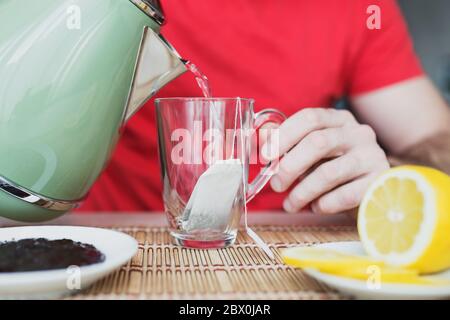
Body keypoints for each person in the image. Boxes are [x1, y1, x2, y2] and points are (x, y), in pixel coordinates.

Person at [78, 0, 450, 215]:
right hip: (121, 252)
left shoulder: (357, 8)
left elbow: (439, 144)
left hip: (292, 259)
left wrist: (390, 177)